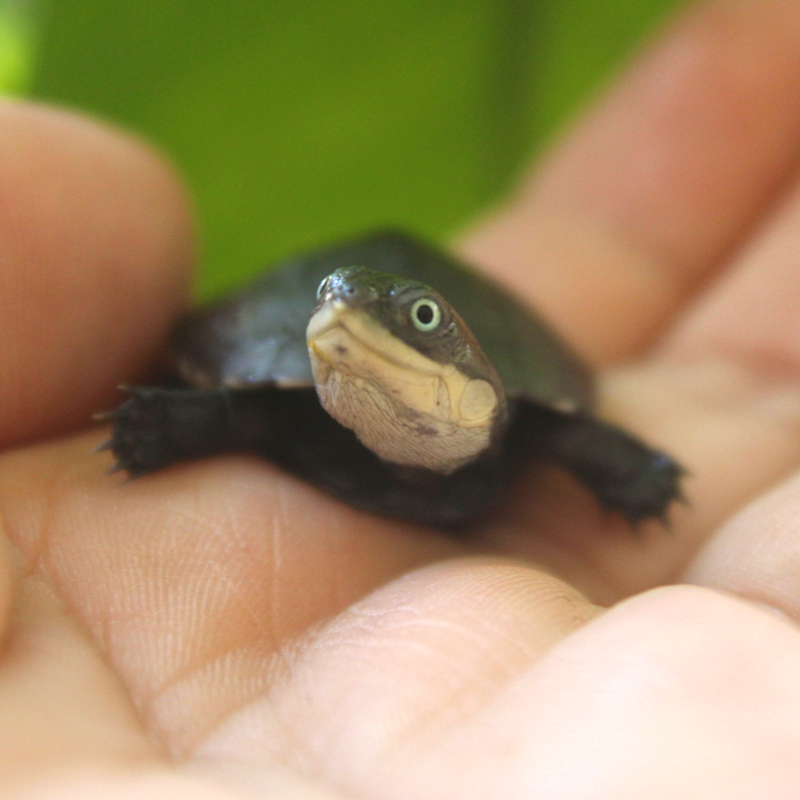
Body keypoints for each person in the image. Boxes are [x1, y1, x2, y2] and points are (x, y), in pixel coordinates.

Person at [4, 1, 800, 797]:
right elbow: (239, 406)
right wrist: (162, 426)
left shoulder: (522, 425)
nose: (347, 314)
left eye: (419, 322)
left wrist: (639, 475)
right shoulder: (291, 408)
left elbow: (573, 432)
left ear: (481, 384)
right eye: (333, 307)